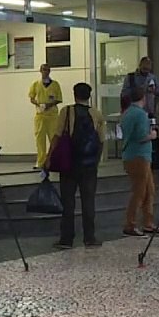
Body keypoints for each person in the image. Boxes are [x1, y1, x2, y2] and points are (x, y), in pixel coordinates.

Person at [53, 83, 105, 249]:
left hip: (69, 164)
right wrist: (95, 161)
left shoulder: (66, 112)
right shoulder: (96, 114)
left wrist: (48, 158)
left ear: (74, 95)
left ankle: (67, 239)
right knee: (88, 201)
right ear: (89, 96)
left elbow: (57, 136)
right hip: (89, 166)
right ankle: (89, 237)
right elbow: (102, 141)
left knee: (68, 202)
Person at [120, 87, 159, 236]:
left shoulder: (126, 113)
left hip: (132, 155)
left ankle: (148, 222)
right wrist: (153, 135)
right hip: (140, 156)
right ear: (143, 98)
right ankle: (130, 223)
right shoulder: (140, 115)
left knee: (149, 189)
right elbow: (141, 136)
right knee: (139, 191)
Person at [28, 64, 63, 170]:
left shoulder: (55, 85)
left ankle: (54, 161)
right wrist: (38, 104)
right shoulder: (36, 84)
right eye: (44, 70)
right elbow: (31, 98)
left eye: (47, 70)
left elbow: (59, 99)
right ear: (40, 71)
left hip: (52, 116)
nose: (45, 72)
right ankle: (41, 161)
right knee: (40, 139)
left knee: (54, 138)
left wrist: (49, 105)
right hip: (40, 116)